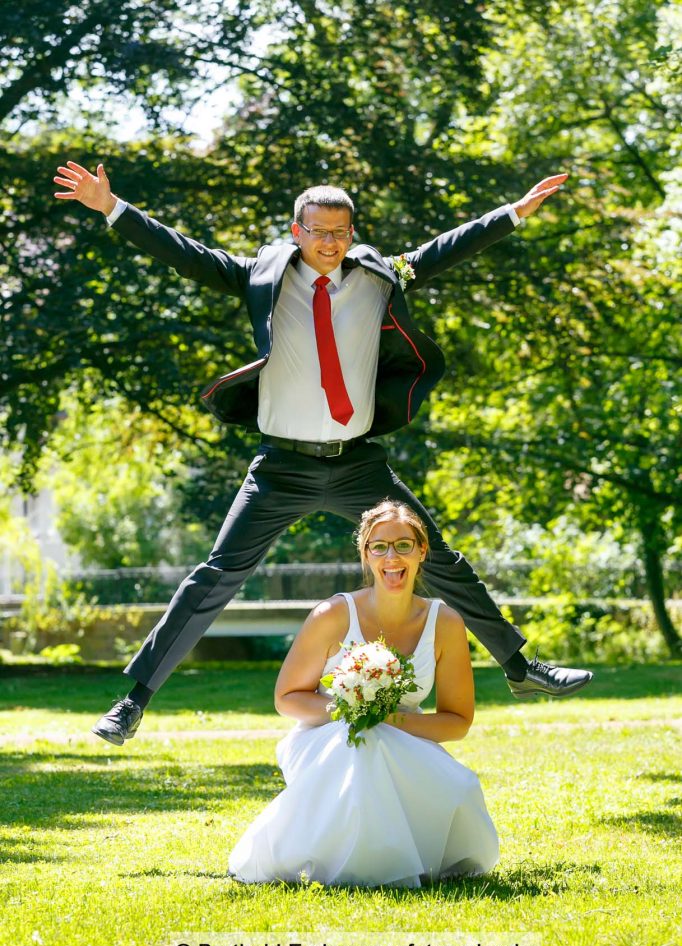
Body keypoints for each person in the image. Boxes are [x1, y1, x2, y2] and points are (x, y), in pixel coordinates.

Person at [52, 161, 593, 747]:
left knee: (437, 559)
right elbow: (186, 253)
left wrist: (512, 214)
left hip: (357, 462)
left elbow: (443, 250)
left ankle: (519, 667)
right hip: (281, 466)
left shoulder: (380, 276)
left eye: (340, 232)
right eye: (318, 231)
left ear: (352, 235)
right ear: (296, 231)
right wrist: (112, 207)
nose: (330, 242)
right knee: (216, 575)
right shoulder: (261, 277)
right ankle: (133, 700)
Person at [229, 500, 499, 886]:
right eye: (379, 546)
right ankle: (345, 860)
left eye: (404, 545)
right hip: (329, 734)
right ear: (366, 554)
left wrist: (388, 718)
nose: (392, 556)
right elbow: (287, 697)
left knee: (453, 783)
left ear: (422, 551)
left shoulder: (446, 623)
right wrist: (351, 707)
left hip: (407, 737)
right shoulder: (333, 615)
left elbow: (457, 722)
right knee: (363, 746)